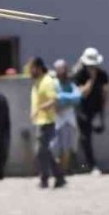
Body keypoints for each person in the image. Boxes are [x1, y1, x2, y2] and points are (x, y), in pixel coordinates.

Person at [71, 46, 109, 175]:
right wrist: (91, 80)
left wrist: (102, 109)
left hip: (96, 109)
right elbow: (83, 93)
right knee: (84, 137)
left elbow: (105, 92)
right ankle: (90, 165)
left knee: (91, 135)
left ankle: (83, 163)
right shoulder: (79, 75)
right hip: (82, 110)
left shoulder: (103, 75)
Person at [30, 58, 65, 188]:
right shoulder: (37, 82)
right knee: (44, 151)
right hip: (40, 121)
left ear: (39, 68)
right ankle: (59, 177)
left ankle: (44, 179)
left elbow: (54, 100)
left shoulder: (47, 81)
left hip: (47, 121)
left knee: (40, 151)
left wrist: (40, 108)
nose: (30, 71)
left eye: (32, 68)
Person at [51, 59, 81, 173]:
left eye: (62, 69)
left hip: (68, 118)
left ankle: (63, 170)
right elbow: (53, 98)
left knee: (67, 146)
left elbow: (77, 97)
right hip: (55, 117)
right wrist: (64, 99)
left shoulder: (70, 84)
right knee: (54, 146)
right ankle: (57, 170)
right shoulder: (53, 83)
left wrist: (62, 97)